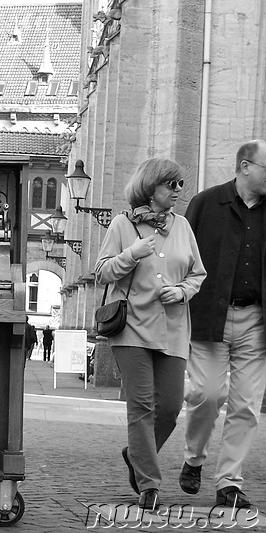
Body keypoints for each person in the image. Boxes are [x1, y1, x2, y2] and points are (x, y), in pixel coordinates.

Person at [95, 158, 206, 510]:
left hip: (173, 329)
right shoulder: (122, 225)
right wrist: (131, 254)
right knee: (141, 405)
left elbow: (198, 274)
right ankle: (149, 484)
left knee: (171, 408)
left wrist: (183, 291)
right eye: (170, 185)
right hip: (131, 327)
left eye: (180, 185)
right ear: (149, 187)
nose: (177, 191)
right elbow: (101, 271)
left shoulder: (184, 227)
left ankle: (137, 454)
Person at [180, 139, 266, 510]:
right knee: (206, 395)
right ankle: (194, 458)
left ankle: (229, 483)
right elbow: (182, 254)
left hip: (256, 321)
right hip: (210, 316)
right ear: (245, 167)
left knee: (246, 405)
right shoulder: (205, 203)